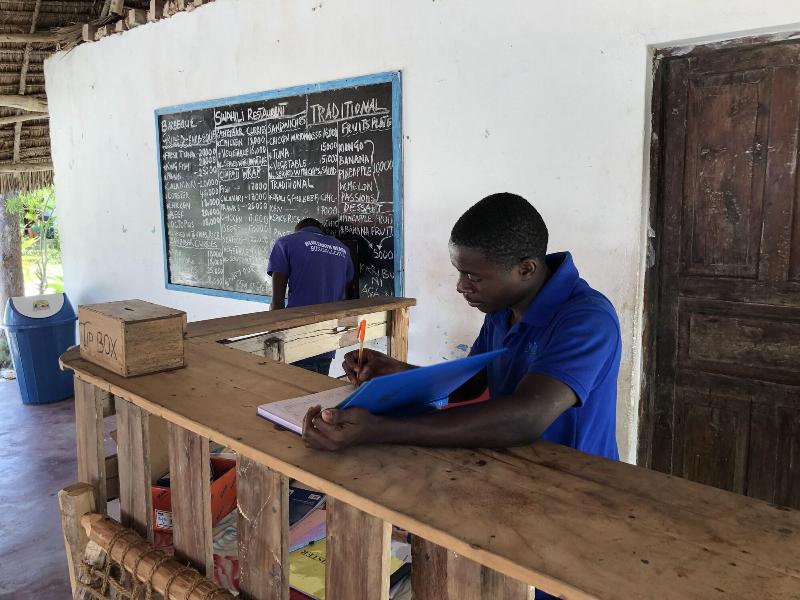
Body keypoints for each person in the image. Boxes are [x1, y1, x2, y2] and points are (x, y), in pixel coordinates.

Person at [301, 193, 620, 458]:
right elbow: (471, 383)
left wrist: (377, 430)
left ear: (525, 270)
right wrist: (397, 372)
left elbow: (525, 418)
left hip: (576, 480)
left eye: (473, 277)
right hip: (512, 463)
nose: (461, 286)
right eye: (460, 272)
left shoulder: (587, 319)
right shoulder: (502, 308)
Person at [268, 217, 354, 375]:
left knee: (297, 387)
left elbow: (277, 302)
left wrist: (273, 337)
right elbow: (348, 296)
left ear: (298, 230)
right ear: (320, 229)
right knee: (319, 385)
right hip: (329, 336)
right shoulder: (343, 249)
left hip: (298, 336)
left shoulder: (286, 242)